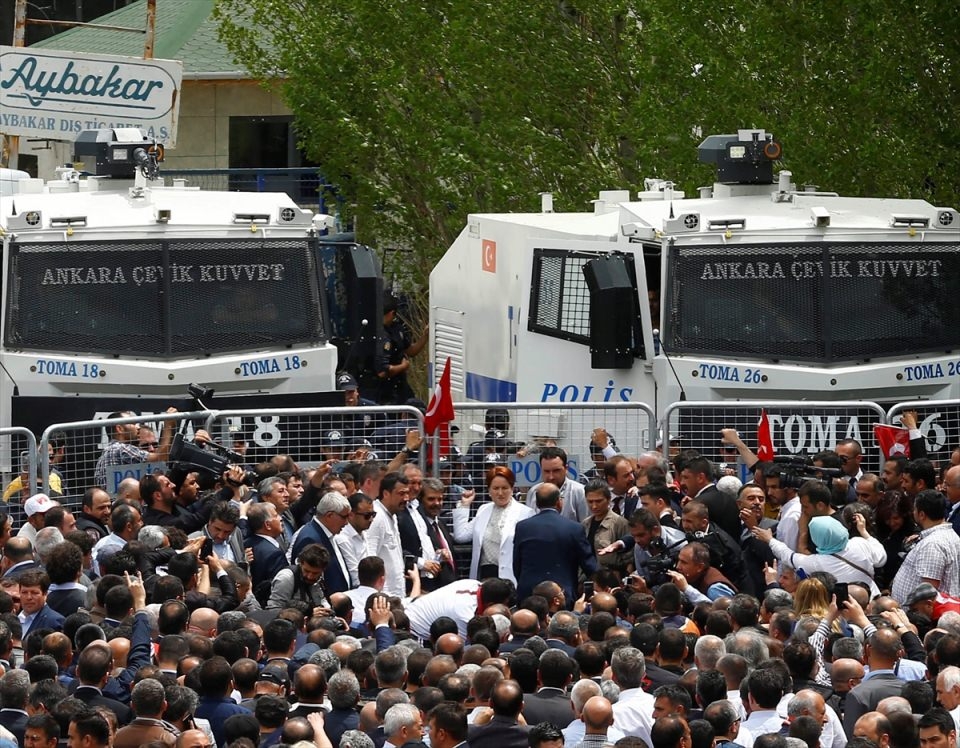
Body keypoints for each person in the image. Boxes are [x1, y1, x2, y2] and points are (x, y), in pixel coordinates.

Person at [752, 513, 886, 598]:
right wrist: (864, 532)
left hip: (847, 608)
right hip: (874, 598)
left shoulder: (817, 562)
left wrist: (770, 539)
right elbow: (881, 559)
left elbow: (787, 556)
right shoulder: (860, 543)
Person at [513, 483, 598, 605]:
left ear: (537, 504)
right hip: (562, 593)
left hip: (529, 593)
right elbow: (588, 563)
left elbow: (517, 563)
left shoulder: (523, 527)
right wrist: (601, 582)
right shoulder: (574, 528)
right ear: (559, 502)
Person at [453, 466, 533, 583]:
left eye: (505, 488)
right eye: (495, 488)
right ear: (489, 490)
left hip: (512, 578)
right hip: (485, 577)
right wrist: (464, 506)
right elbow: (461, 536)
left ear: (512, 488)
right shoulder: (483, 510)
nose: (500, 493)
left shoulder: (526, 513)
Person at [891, 490, 960, 603]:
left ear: (921, 515)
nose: (913, 513)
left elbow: (927, 593)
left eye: (915, 510)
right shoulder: (949, 536)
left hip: (920, 612)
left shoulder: (933, 544)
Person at [93, 409, 177, 490]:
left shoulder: (108, 452)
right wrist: (168, 424)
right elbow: (160, 459)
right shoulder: (120, 449)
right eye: (132, 423)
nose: (138, 427)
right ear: (119, 429)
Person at [366, 473, 411, 597]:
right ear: (386, 493)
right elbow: (370, 557)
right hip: (384, 595)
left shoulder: (393, 516)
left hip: (396, 593)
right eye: (401, 494)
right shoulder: (377, 517)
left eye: (407, 493)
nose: (406, 498)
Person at [525, 448, 588, 522]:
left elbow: (586, 524)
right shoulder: (533, 492)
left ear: (566, 468)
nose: (551, 477)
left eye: (556, 471)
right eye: (546, 471)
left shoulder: (579, 492)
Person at [582, 481, 630, 574]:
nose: (594, 506)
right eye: (590, 502)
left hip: (611, 575)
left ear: (608, 499)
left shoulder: (619, 523)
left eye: (599, 501)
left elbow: (629, 558)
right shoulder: (585, 524)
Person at [18, 570, 64, 635]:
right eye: (24, 592)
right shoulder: (14, 619)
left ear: (45, 594)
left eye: (34, 593)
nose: (28, 597)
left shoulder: (54, 623)